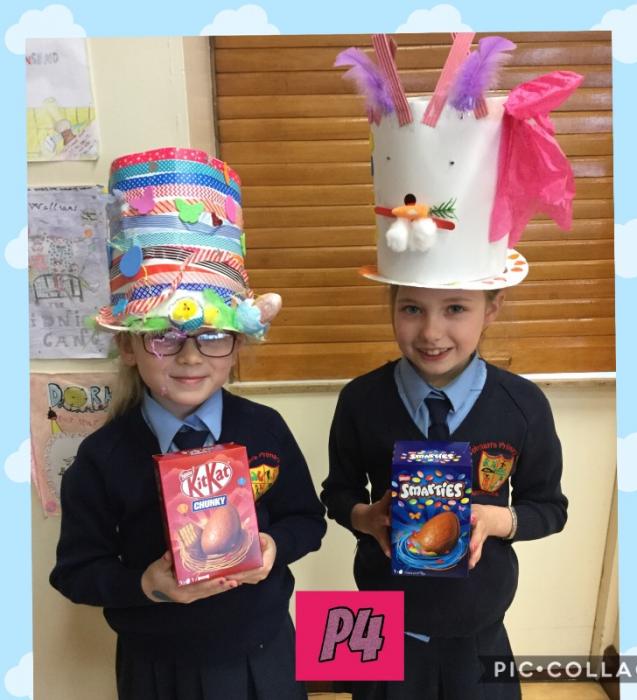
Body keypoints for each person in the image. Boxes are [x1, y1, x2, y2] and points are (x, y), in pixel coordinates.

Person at [321, 35, 580, 699]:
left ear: (492, 308)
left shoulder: (523, 406)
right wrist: (365, 516)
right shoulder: (361, 401)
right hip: (376, 620)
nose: (432, 332)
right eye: (411, 309)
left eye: (456, 309)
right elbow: (336, 491)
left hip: (480, 630)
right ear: (391, 305)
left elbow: (550, 507)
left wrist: (500, 520)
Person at [50, 148, 326, 700]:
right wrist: (146, 585)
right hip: (161, 669)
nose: (191, 356)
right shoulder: (104, 456)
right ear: (129, 348)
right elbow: (76, 572)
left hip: (266, 655)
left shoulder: (265, 429)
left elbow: (307, 519)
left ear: (237, 346)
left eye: (213, 336)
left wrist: (273, 546)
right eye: (165, 336)